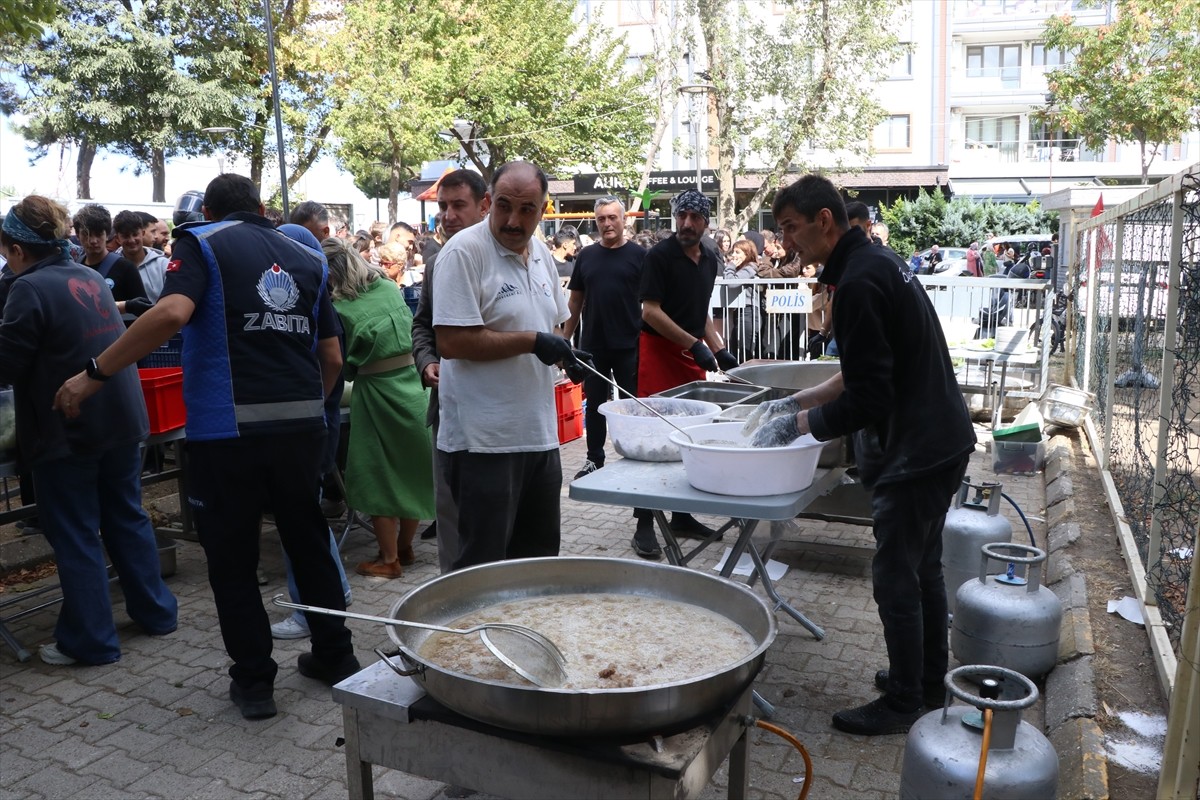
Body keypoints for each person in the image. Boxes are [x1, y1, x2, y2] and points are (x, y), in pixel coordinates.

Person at [55, 174, 359, 720]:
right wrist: (308, 406)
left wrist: (95, 373)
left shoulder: (201, 242)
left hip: (228, 434)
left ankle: (255, 683)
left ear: (212, 211)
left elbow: (172, 313)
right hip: (300, 430)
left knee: (234, 558)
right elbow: (331, 356)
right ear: (263, 209)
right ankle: (336, 655)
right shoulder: (307, 255)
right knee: (308, 541)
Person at [744, 174, 975, 737]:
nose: (786, 242)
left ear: (825, 220)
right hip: (941, 439)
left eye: (792, 228)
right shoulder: (874, 261)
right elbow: (861, 371)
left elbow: (871, 396)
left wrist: (798, 427)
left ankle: (904, 702)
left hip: (917, 449)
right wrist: (797, 400)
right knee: (922, 568)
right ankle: (920, 680)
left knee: (897, 574)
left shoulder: (860, 282)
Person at [0, 196, 177, 666]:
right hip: (121, 419)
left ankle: (90, 640)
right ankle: (157, 613)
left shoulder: (28, 288)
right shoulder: (91, 277)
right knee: (125, 515)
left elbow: (7, 362)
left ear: (18, 250)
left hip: (69, 427)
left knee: (76, 532)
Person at [431, 161, 584, 570]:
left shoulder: (542, 258)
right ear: (487, 203)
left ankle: (524, 636)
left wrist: (567, 353)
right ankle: (469, 637)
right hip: (482, 443)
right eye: (504, 206)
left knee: (535, 565)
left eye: (527, 209)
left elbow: (552, 326)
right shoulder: (463, 253)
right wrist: (534, 342)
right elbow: (451, 341)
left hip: (538, 436)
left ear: (542, 210)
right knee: (483, 571)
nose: (514, 221)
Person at [632, 189, 737, 558]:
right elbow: (651, 312)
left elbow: (700, 310)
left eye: (694, 217)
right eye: (681, 215)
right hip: (658, 353)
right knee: (654, 438)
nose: (687, 223)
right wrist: (695, 344)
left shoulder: (709, 258)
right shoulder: (659, 256)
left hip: (690, 352)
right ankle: (644, 523)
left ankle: (681, 515)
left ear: (707, 222)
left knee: (688, 436)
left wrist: (720, 348)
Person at [323, 238, 434, 578]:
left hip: (378, 393)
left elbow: (342, 364)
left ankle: (388, 561)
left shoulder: (338, 308)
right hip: (415, 387)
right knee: (412, 471)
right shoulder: (387, 287)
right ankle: (404, 546)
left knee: (378, 476)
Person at [411, 169, 491, 573]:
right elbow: (422, 325)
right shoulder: (440, 261)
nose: (448, 215)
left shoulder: (508, 258)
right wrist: (427, 362)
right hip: (450, 415)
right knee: (454, 530)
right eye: (443, 206)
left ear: (484, 206)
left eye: (459, 205)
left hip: (500, 419)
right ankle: (452, 622)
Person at [562, 195, 644, 479]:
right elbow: (575, 303)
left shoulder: (639, 256)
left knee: (633, 405)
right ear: (596, 222)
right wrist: (565, 341)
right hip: (593, 346)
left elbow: (653, 303)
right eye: (601, 219)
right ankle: (594, 459)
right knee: (595, 405)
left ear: (623, 220)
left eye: (612, 217)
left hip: (630, 345)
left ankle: (637, 454)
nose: (607, 223)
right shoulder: (586, 256)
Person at [71, 204, 151, 317]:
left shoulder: (125, 267)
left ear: (108, 234)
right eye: (86, 234)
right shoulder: (75, 267)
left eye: (99, 234)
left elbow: (143, 309)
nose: (93, 240)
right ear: (78, 235)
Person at [112, 210, 168, 302]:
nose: (131, 240)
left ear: (142, 233)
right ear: (117, 238)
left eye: (135, 234)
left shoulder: (162, 265)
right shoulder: (111, 264)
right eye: (126, 236)